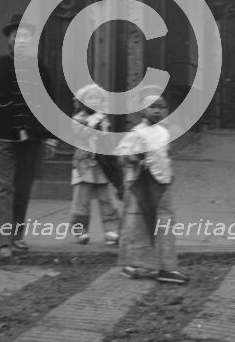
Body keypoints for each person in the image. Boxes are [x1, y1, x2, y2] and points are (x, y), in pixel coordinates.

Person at [0, 13, 58, 259]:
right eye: (15, 35)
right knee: (5, 188)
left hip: (31, 139)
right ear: (8, 39)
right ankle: (3, 242)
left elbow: (49, 106)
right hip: (3, 137)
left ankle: (17, 235)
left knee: (23, 187)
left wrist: (50, 137)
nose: (20, 40)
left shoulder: (42, 70)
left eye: (26, 36)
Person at [114, 91, 188, 285]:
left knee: (164, 223)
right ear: (142, 111)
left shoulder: (164, 133)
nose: (157, 111)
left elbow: (164, 156)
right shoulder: (136, 133)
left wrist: (169, 173)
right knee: (137, 225)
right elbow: (121, 155)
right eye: (152, 107)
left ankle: (167, 266)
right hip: (140, 185)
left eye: (161, 107)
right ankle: (134, 263)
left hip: (161, 185)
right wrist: (133, 158)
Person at [69, 84, 120, 245]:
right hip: (83, 164)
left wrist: (105, 130)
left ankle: (112, 230)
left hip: (100, 164)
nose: (94, 102)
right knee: (81, 200)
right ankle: (80, 231)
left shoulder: (103, 118)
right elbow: (82, 134)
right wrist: (94, 123)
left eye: (97, 98)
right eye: (90, 98)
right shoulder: (78, 120)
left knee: (105, 198)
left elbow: (107, 139)